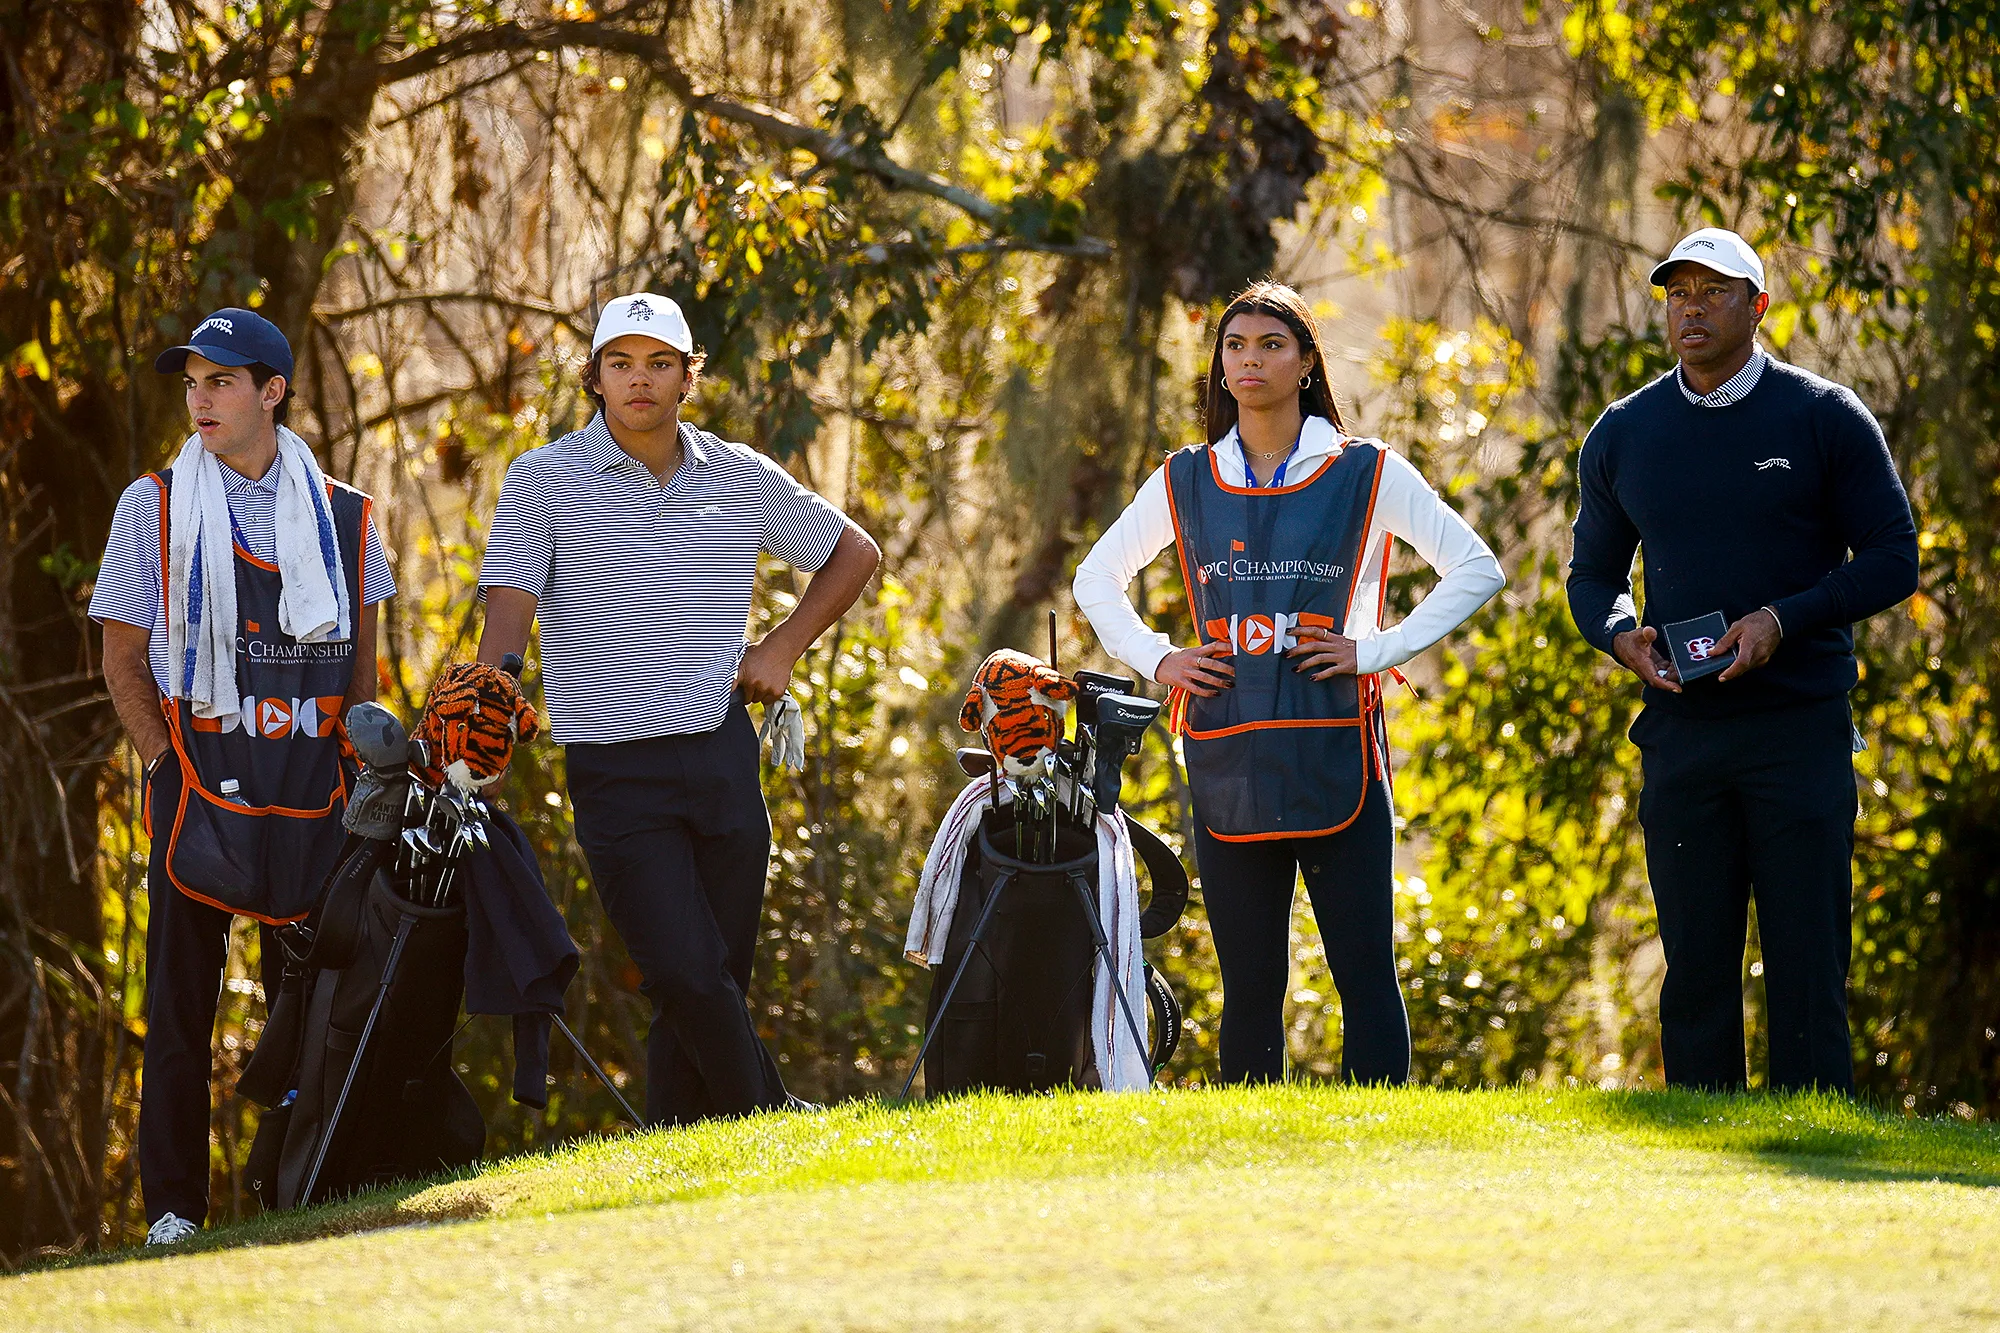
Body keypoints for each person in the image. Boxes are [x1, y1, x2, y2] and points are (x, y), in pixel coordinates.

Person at [1074, 281, 1505, 1084]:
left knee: (1366, 973)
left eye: (1271, 344)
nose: (1249, 359)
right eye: (1235, 345)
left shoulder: (1364, 469)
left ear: (1306, 362)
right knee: (1250, 989)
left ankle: (1378, 1150)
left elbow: (1478, 567)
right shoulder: (1186, 476)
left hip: (1338, 747)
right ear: (1220, 365)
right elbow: (1095, 578)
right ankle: (1250, 1163)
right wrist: (1160, 657)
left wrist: (1375, 649)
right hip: (1229, 753)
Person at [476, 293, 880, 1125]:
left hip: (719, 751)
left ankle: (681, 1147)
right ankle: (772, 1120)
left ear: (688, 376)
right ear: (594, 377)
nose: (639, 380)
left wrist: (780, 648)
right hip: (615, 767)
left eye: (660, 363)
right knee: (687, 971)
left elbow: (853, 551)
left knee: (708, 981)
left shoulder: (737, 474)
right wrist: (486, 712)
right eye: (620, 363)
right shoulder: (544, 479)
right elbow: (509, 611)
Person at [1567, 228, 1920, 1093]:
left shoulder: (1823, 415)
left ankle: (1817, 1155)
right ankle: (1704, 1161)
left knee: (1806, 969)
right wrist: (1622, 634)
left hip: (1799, 731)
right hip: (1683, 738)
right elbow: (1593, 576)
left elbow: (1893, 556)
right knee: (1694, 973)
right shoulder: (1626, 431)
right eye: (1678, 291)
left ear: (1757, 306)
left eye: (1713, 290)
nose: (1691, 306)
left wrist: (1782, 620)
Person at [91, 308, 396, 1244]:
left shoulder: (348, 516)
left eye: (220, 381)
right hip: (198, 786)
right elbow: (121, 655)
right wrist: (158, 762)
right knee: (180, 1012)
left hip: (312, 790)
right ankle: (175, 1213)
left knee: (308, 1011)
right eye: (190, 382)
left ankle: (296, 1195)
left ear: (273, 391)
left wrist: (361, 771)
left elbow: (363, 673)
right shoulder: (155, 503)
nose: (199, 400)